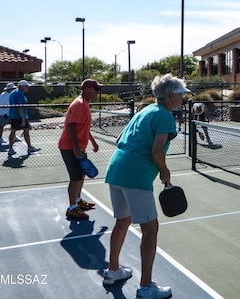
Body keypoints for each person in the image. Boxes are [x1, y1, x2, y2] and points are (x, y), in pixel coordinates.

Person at [103, 74, 188, 298]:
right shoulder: (165, 116)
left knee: (122, 221)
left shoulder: (144, 111)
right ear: (171, 96)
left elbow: (121, 137)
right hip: (135, 176)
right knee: (150, 229)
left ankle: (112, 271)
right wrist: (164, 170)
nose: (183, 98)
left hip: (116, 169)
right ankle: (146, 287)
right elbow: (156, 150)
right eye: (181, 94)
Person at [58, 79, 102, 220]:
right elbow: (72, 126)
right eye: (96, 89)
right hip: (70, 148)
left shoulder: (85, 104)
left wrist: (93, 142)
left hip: (78, 148)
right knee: (75, 178)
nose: (98, 92)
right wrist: (76, 147)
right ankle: (72, 209)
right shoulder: (80, 104)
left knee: (81, 175)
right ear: (87, 89)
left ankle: (78, 202)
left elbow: (84, 128)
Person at [7, 80, 40, 157]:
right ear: (22, 87)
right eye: (26, 86)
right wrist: (23, 119)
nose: (28, 88)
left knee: (16, 131)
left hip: (14, 116)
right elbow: (20, 107)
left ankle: (12, 148)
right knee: (24, 131)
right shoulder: (19, 94)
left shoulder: (14, 92)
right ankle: (28, 147)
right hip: (18, 116)